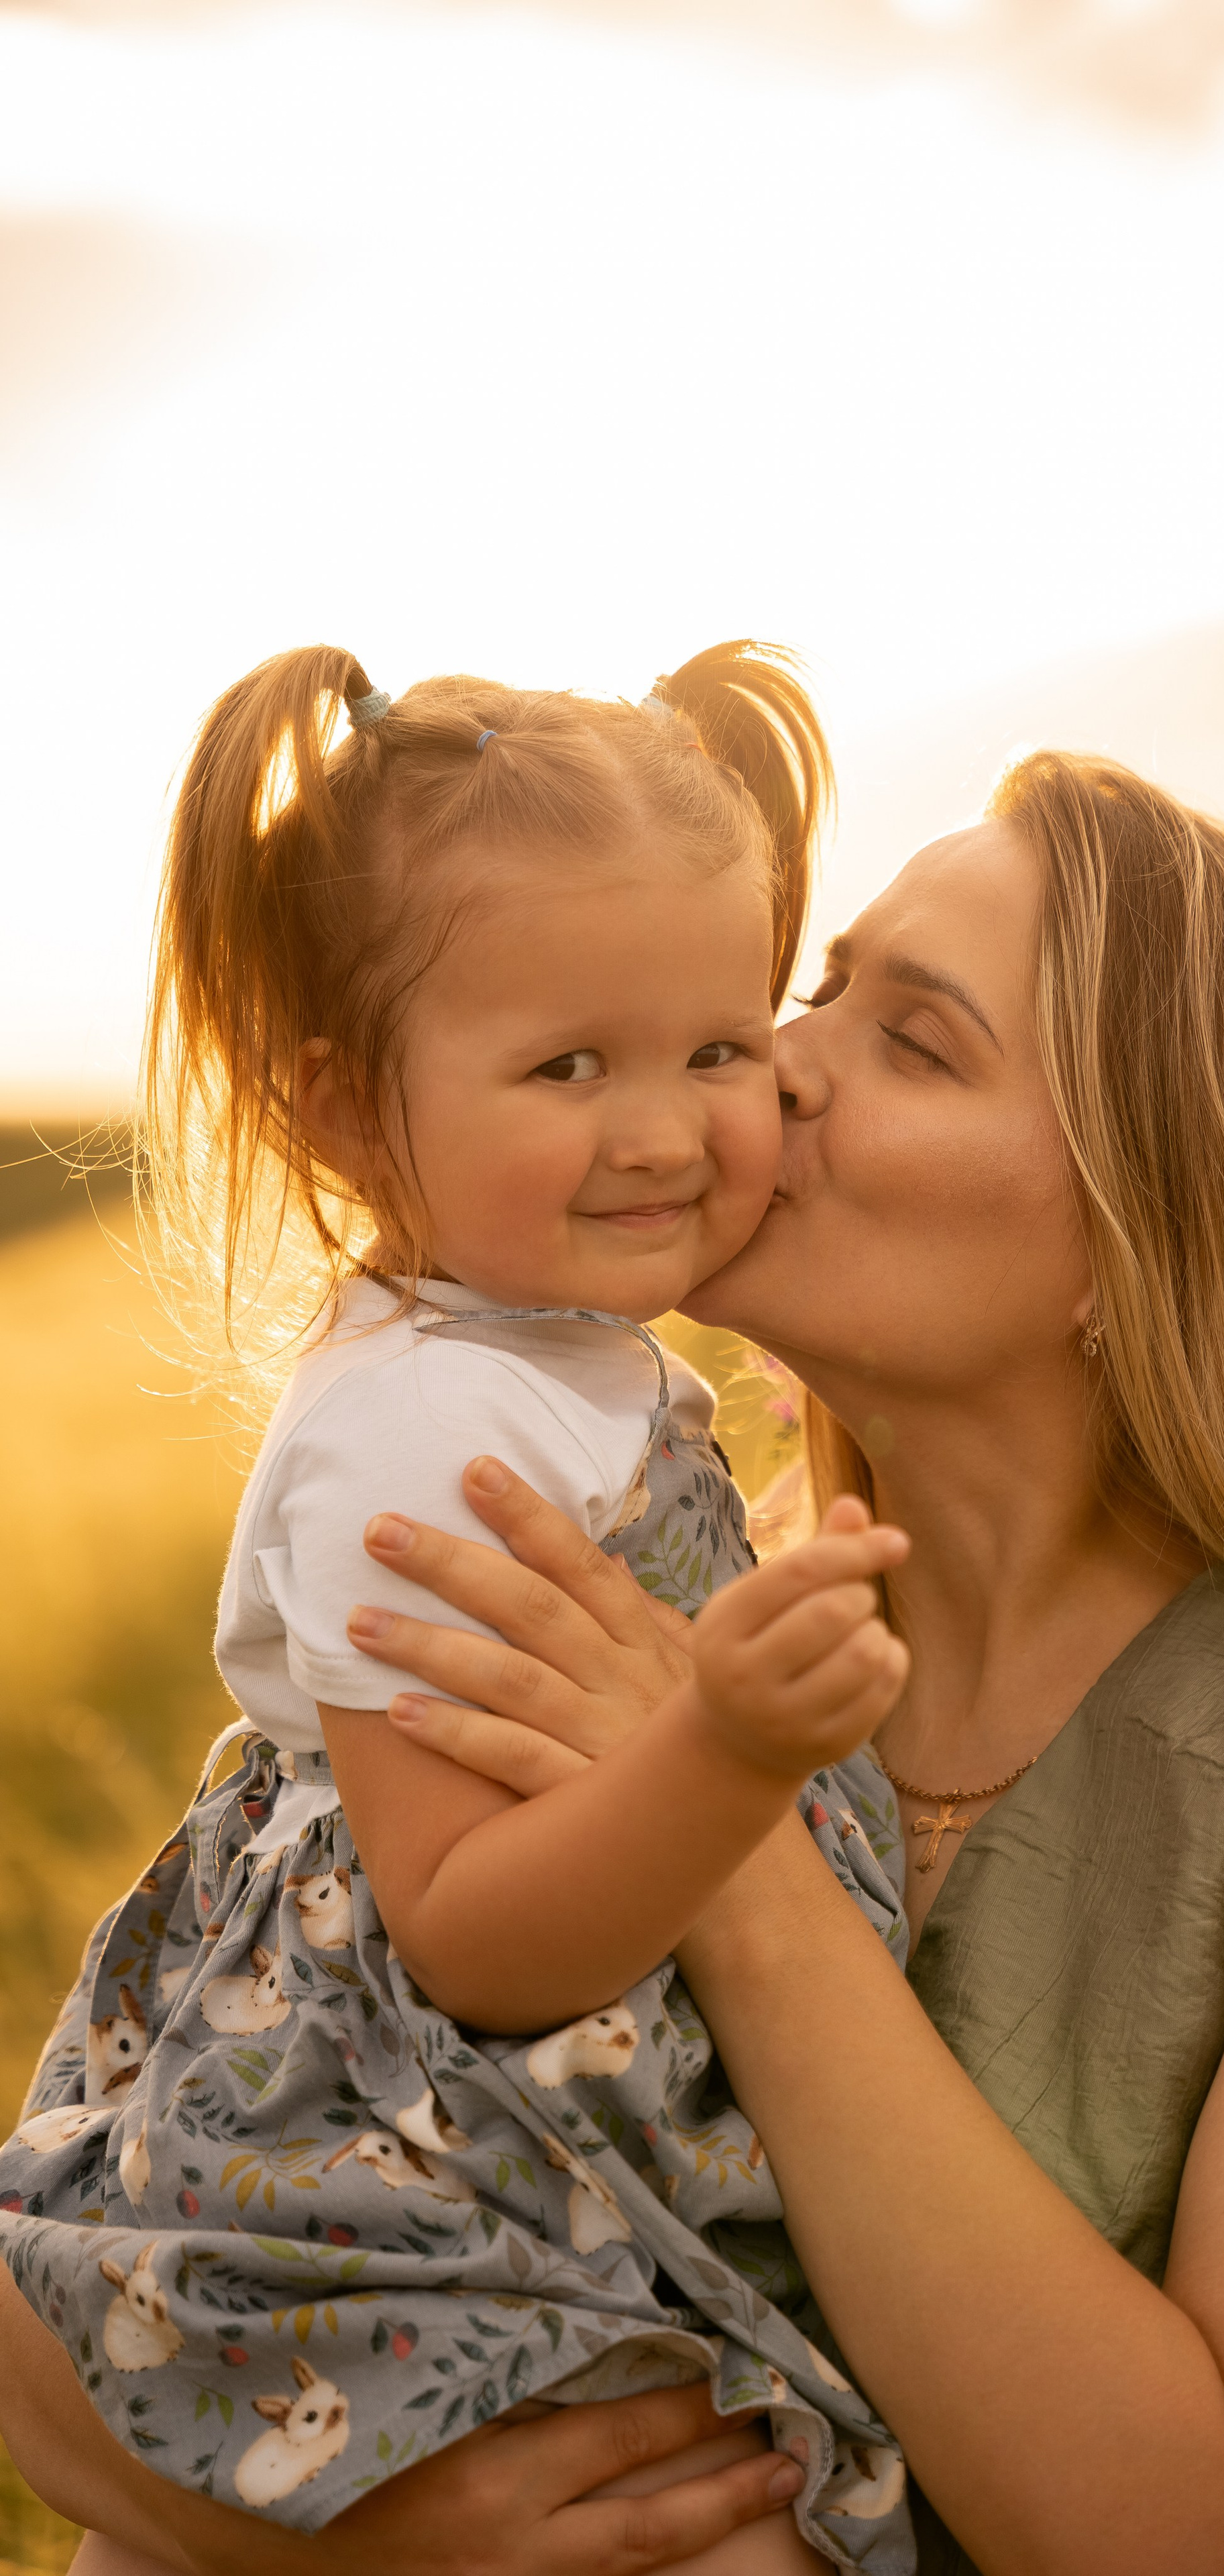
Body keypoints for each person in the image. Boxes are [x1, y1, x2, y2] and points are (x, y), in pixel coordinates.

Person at [1, 749, 1224, 2575]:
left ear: (1152, 1233)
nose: (776, 1063)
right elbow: (131, 2197)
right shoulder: (638, 1581)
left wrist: (741, 1866)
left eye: (915, 1042)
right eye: (816, 990)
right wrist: (357, 2532)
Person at [0, 643, 922, 2574]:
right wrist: (726, 1747)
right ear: (348, 1112)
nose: (663, 1130)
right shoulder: (427, 1435)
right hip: (407, 2156)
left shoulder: (551, 1359)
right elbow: (476, 1937)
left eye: (718, 1048)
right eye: (568, 1066)